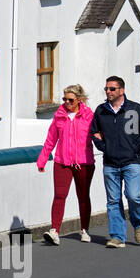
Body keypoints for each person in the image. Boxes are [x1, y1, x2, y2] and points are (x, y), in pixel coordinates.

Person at [89, 75, 140, 248]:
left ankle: (138, 224)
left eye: (112, 89)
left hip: (131, 161)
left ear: (121, 90)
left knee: (133, 196)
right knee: (113, 200)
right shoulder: (101, 110)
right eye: (106, 89)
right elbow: (94, 132)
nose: (108, 92)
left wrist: (137, 146)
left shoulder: (134, 109)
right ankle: (118, 237)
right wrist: (104, 147)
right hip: (110, 163)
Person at [37, 84, 95, 244]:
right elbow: (50, 139)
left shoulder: (89, 116)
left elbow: (98, 135)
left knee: (83, 197)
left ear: (79, 100)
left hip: (84, 162)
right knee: (59, 196)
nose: (67, 102)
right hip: (62, 162)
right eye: (64, 99)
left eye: (70, 100)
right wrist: (42, 160)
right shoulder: (59, 115)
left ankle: (85, 230)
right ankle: (54, 231)